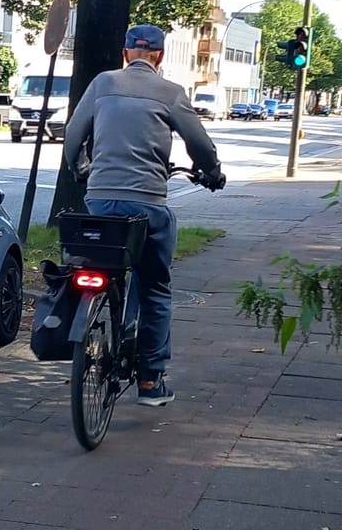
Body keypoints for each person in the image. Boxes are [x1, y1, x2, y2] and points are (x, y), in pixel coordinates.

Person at [63, 24, 226, 406]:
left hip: (100, 203)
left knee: (102, 264)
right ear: (160, 57)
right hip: (148, 204)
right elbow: (199, 144)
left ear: (124, 54)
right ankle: (151, 381)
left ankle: (91, 322)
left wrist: (81, 168)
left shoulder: (103, 84)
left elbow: (73, 135)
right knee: (155, 287)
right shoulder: (170, 93)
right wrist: (212, 172)